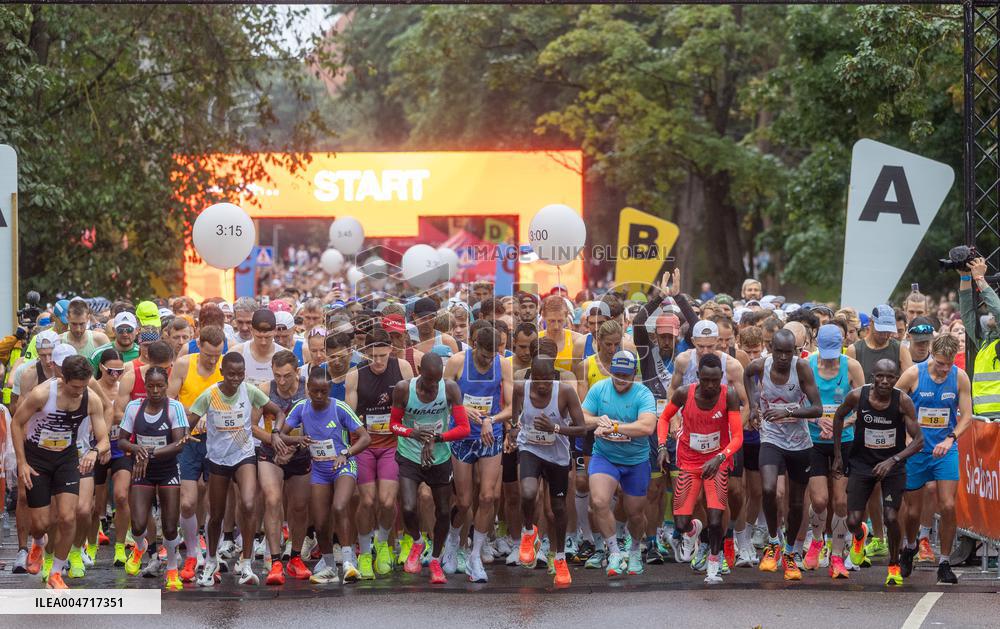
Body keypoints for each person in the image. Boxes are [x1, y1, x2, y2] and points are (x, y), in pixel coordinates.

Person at [188, 351, 287, 587]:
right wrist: (183, 438)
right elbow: (188, 422)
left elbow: (279, 412)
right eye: (231, 374)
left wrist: (275, 431)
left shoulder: (249, 391)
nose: (235, 379)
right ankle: (211, 559)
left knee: (249, 503)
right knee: (217, 514)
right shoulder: (210, 395)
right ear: (222, 373)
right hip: (219, 460)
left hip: (244, 455)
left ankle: (245, 562)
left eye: (240, 374)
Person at [11, 355, 109, 589]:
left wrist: (94, 452)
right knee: (42, 523)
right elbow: (16, 423)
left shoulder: (90, 399)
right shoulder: (42, 394)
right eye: (75, 386)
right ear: (62, 378)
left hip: (66, 459)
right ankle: (37, 541)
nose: (79, 391)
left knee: (67, 517)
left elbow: (104, 438)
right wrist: (22, 463)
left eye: (84, 386)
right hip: (37, 460)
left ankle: (56, 573)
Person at [832, 359, 923, 586]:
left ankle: (893, 565)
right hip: (862, 463)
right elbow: (838, 416)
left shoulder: (903, 401)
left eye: (890, 377)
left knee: (891, 516)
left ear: (896, 378)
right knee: (852, 520)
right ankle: (860, 534)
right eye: (880, 376)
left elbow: (919, 441)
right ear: (873, 376)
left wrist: (893, 460)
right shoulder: (857, 396)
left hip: (892, 465)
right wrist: (838, 455)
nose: (884, 381)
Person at [657, 353, 742, 584]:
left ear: (722, 377)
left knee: (716, 518)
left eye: (716, 380)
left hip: (717, 463)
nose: (711, 385)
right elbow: (664, 418)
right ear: (698, 377)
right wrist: (662, 447)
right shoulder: (685, 393)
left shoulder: (729, 396)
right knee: (681, 523)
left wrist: (720, 457)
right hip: (689, 462)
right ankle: (695, 530)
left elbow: (737, 437)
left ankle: (714, 563)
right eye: (706, 380)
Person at [744, 328, 822, 580]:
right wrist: (754, 405)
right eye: (780, 352)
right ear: (771, 349)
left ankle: (789, 552)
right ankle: (773, 542)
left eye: (790, 352)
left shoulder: (801, 369)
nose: (784, 357)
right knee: (768, 489)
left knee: (796, 502)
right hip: (771, 437)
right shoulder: (760, 365)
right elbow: (747, 375)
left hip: (799, 442)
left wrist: (787, 413)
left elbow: (817, 409)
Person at [280, 368, 371, 585]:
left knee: (339, 507)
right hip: (319, 469)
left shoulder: (340, 408)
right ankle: (329, 565)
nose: (319, 396)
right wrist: (298, 439)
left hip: (342, 465)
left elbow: (365, 437)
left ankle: (349, 562)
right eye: (314, 392)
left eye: (323, 391)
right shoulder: (301, 407)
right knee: (320, 522)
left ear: (329, 390)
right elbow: (282, 433)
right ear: (308, 390)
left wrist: (345, 453)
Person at [895, 334, 972, 584]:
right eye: (940, 363)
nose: (944, 368)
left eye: (948, 363)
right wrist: (906, 437)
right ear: (931, 355)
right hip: (917, 450)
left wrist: (951, 438)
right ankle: (909, 546)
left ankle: (945, 562)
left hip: (944, 450)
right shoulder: (914, 375)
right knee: (913, 511)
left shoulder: (959, 377)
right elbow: (890, 404)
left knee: (948, 505)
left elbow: (967, 415)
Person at [389, 352, 471, 584]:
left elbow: (463, 428)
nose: (432, 386)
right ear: (419, 372)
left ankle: (435, 558)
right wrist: (412, 433)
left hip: (439, 456)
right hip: (409, 454)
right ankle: (417, 541)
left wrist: (438, 438)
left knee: (444, 511)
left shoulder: (450, 388)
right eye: (428, 381)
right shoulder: (404, 389)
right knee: (407, 507)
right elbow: (393, 424)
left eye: (436, 381)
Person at [442, 324, 513, 583]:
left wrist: (491, 418)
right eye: (484, 354)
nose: (488, 359)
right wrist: (462, 411)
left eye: (492, 354)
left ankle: (474, 556)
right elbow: (444, 399)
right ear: (473, 344)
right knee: (463, 500)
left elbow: (512, 405)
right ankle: (452, 542)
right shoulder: (456, 362)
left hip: (488, 435)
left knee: (488, 496)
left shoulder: (502, 364)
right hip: (462, 436)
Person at [510, 355, 588, 586]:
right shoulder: (521, 389)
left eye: (546, 379)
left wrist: (554, 427)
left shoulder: (564, 392)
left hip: (557, 455)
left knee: (558, 509)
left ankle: (561, 558)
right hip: (530, 449)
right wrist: (514, 427)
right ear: (530, 377)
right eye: (537, 379)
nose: (542, 384)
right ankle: (528, 532)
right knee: (527, 492)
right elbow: (515, 408)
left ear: (553, 376)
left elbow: (582, 429)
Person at [582, 350, 658, 578]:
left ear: (634, 374)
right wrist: (598, 420)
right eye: (616, 374)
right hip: (605, 456)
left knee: (635, 513)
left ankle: (634, 549)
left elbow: (646, 427)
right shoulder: (600, 389)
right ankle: (613, 551)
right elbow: (582, 416)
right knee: (598, 501)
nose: (621, 380)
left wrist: (615, 427)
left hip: (635, 461)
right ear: (610, 371)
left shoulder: (643, 394)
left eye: (626, 375)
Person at [346, 328, 414, 579]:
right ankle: (364, 554)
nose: (377, 361)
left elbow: (412, 404)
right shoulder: (355, 375)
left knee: (387, 501)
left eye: (382, 356)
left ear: (391, 351)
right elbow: (349, 417)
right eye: (373, 356)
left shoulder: (403, 368)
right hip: (364, 444)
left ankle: (382, 545)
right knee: (367, 500)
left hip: (391, 444)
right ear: (365, 353)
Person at [846, 303, 913, 559]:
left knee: (890, 489)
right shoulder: (856, 349)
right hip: (863, 423)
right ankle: (873, 534)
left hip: (891, 422)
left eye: (890, 330)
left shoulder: (898, 348)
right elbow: (853, 389)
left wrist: (903, 415)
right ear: (870, 325)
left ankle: (891, 538)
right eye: (882, 330)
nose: (887, 335)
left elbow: (908, 382)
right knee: (868, 486)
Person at [117, 367, 190, 589]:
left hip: (168, 469)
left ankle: (171, 570)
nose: (156, 390)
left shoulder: (174, 407)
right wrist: (135, 447)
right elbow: (122, 440)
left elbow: (179, 443)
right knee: (138, 525)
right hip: (142, 470)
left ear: (167, 385)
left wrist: (148, 452)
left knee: (169, 527)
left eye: (160, 386)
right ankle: (140, 547)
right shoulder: (133, 407)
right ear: (145, 386)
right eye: (151, 386)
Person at [803, 325, 865, 577]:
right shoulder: (806, 365)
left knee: (841, 502)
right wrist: (817, 421)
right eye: (824, 354)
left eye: (833, 354)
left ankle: (837, 555)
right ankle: (817, 539)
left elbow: (865, 405)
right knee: (819, 500)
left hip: (844, 440)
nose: (829, 360)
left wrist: (843, 422)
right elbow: (798, 406)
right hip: (816, 441)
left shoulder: (851, 367)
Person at [166, 325, 225, 582]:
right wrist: (191, 416)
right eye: (209, 355)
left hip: (217, 441)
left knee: (214, 501)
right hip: (189, 440)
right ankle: (192, 554)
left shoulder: (226, 365)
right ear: (198, 345)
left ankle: (212, 555)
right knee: (188, 501)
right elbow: (169, 399)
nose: (213, 360)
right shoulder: (183, 365)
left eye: (217, 355)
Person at [256, 349, 313, 584]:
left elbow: (315, 421)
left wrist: (294, 447)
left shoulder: (307, 388)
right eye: (277, 375)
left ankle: (296, 556)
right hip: (271, 451)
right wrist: (275, 441)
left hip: (301, 450)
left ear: (297, 372)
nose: (281, 381)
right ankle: (276, 559)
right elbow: (252, 426)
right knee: (272, 499)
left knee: (299, 506)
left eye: (287, 376)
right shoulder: (263, 389)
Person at [959, 257, 1000, 418]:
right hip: (983, 419)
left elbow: (998, 311)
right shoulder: (986, 343)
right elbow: (967, 314)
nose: (991, 314)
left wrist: (979, 279)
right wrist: (965, 277)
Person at [234, 309, 285, 388]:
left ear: (275, 331)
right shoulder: (238, 353)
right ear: (251, 330)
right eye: (259, 337)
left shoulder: (285, 356)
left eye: (267, 337)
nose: (263, 342)